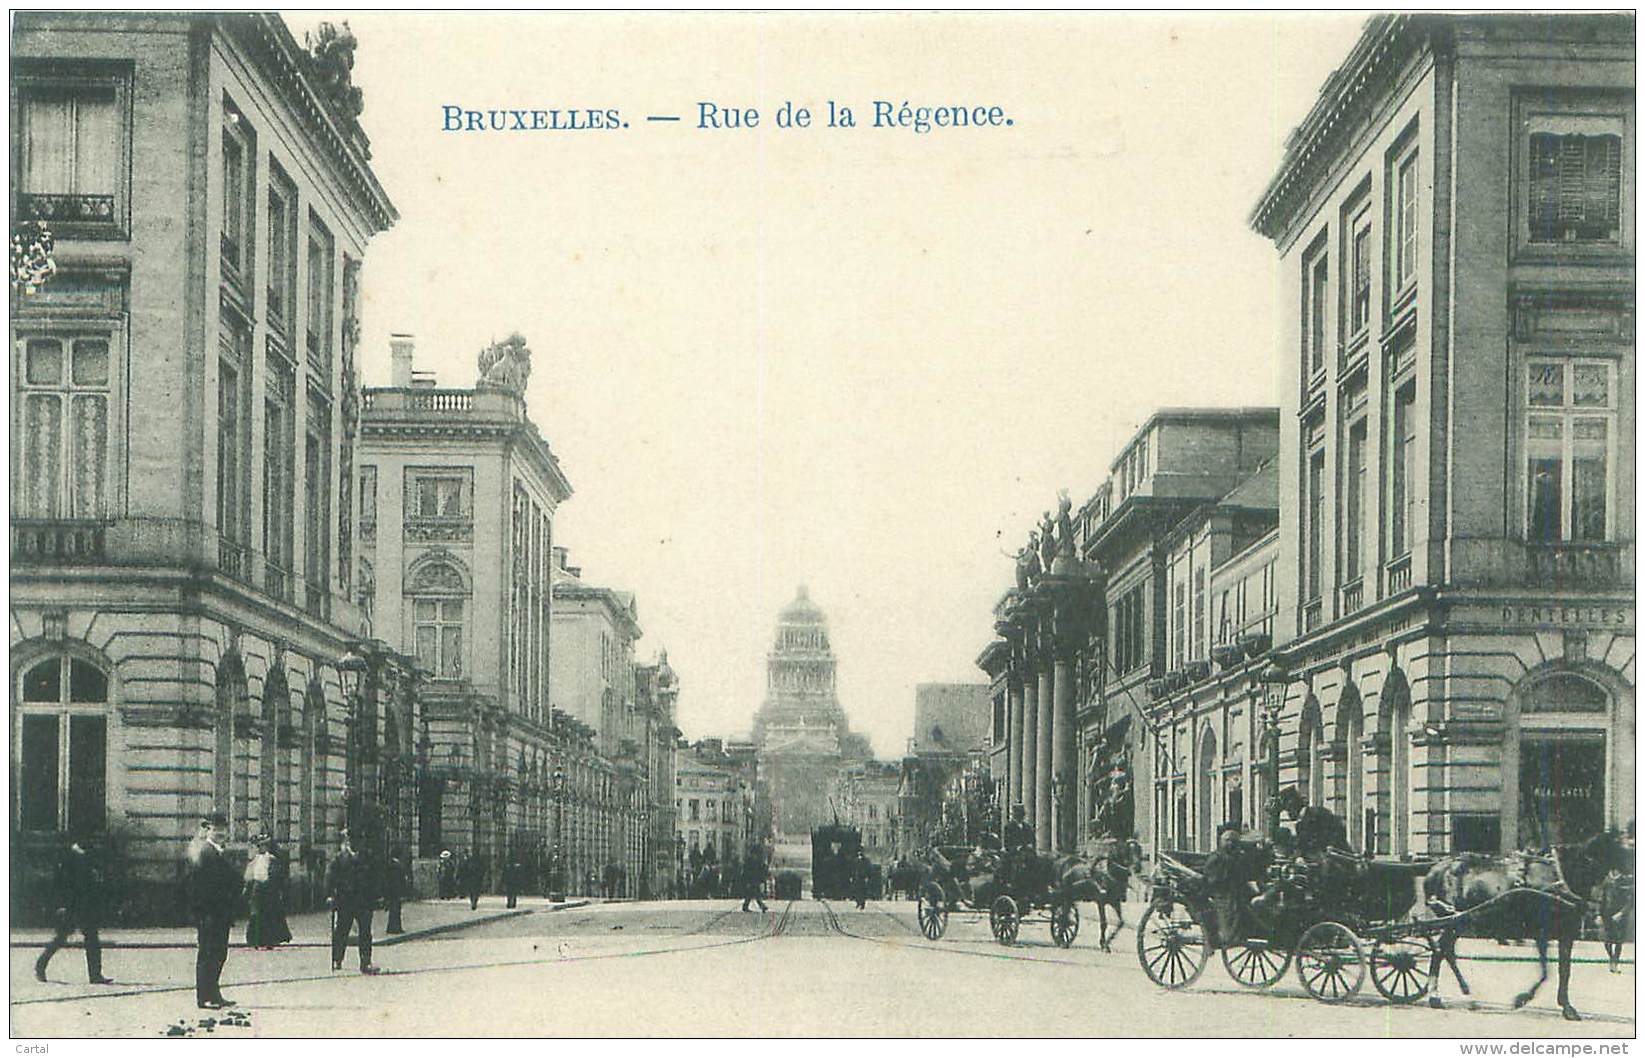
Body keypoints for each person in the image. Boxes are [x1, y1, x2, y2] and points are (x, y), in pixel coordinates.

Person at [35, 832, 113, 985]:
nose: (91, 842)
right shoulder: (68, 857)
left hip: (86, 905)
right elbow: (60, 885)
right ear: (80, 840)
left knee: (92, 939)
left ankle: (95, 975)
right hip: (71, 905)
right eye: (88, 839)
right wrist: (61, 905)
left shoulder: (88, 856)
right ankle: (40, 965)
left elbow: (91, 882)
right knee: (61, 938)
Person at [187, 813, 239, 1009]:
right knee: (208, 954)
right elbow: (199, 887)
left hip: (220, 913)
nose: (220, 833)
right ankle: (204, 997)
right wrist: (202, 913)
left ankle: (214, 994)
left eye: (223, 829)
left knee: (218, 953)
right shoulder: (205, 852)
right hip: (210, 913)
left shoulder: (218, 851)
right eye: (216, 829)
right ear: (208, 830)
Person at [325, 828, 381, 974]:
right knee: (342, 931)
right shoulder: (340, 858)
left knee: (365, 932)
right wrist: (330, 895)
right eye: (352, 840)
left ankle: (365, 962)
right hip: (345, 900)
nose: (356, 843)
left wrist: (376, 896)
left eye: (359, 840)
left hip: (363, 900)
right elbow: (330, 877)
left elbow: (375, 878)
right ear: (347, 841)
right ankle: (337, 959)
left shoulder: (367, 857)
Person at [1200, 823, 1259, 948]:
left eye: (1232, 842)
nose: (1230, 844)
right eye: (1227, 841)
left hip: (1233, 889)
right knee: (1233, 905)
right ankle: (1230, 935)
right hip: (1221, 892)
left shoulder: (1235, 855)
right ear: (1222, 842)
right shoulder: (1217, 857)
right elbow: (1212, 878)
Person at [243, 835, 292, 949]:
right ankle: (255, 941)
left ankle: (270, 941)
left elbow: (277, 876)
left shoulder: (271, 859)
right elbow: (249, 876)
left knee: (269, 916)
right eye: (259, 846)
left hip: (269, 890)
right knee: (255, 915)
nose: (261, 848)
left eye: (263, 846)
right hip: (257, 889)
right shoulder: (255, 859)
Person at [384, 848, 408, 934]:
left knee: (394, 909)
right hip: (395, 890)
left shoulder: (391, 864)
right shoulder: (396, 865)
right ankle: (395, 928)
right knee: (395, 909)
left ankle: (393, 927)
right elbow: (397, 880)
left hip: (392, 890)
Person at [740, 844, 769, 913]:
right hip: (752, 879)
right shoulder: (752, 860)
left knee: (752, 893)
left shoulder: (752, 859)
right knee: (755, 893)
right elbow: (748, 871)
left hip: (753, 879)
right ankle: (761, 906)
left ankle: (746, 906)